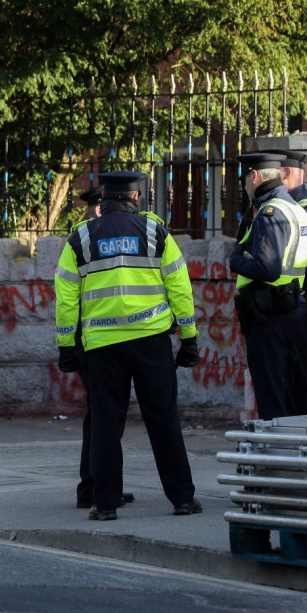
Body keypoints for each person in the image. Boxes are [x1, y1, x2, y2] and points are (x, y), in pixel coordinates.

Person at [55, 170, 202, 521]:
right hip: (151, 341)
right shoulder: (155, 232)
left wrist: (65, 346)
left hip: (103, 345)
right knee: (164, 420)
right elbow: (179, 288)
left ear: (103, 200)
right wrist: (189, 336)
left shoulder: (81, 237)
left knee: (106, 425)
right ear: (135, 197)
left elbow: (65, 296)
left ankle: (104, 504)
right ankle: (182, 498)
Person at [229, 153, 307, 421]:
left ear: (254, 177)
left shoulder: (270, 213)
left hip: (270, 318)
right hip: (294, 314)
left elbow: (268, 268)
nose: (244, 187)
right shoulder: (297, 209)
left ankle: (277, 456)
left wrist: (236, 261)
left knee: (271, 397)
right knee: (295, 394)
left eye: (245, 180)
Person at [66, 185, 136, 511]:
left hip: (90, 340)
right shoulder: (85, 240)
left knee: (101, 417)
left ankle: (96, 487)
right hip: (94, 340)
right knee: (104, 419)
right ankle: (96, 488)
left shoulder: (83, 240)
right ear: (99, 209)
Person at [264, 149, 307, 416]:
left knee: (303, 390)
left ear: (286, 173)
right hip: (303, 309)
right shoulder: (297, 205)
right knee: (294, 388)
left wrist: (296, 287)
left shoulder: (303, 207)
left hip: (305, 309)